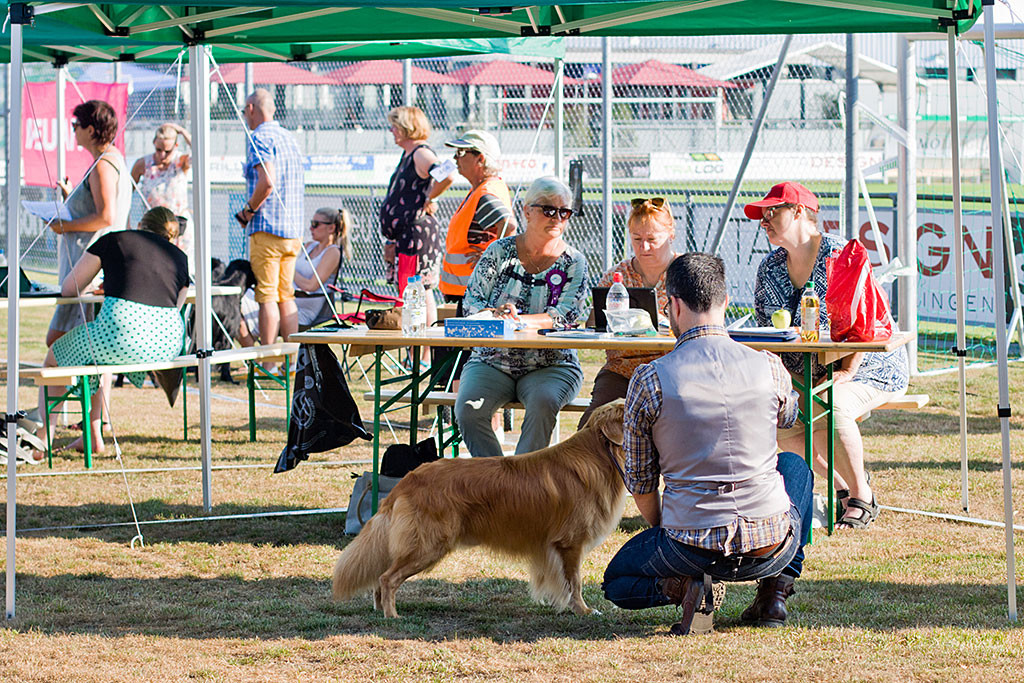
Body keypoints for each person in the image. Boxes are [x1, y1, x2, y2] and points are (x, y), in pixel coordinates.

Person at [602, 252, 813, 635]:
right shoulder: (769, 366)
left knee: (616, 582)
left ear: (673, 306)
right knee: (796, 467)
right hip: (771, 545)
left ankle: (685, 586)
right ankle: (775, 592)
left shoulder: (649, 379)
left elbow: (641, 481)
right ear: (726, 301)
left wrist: (668, 533)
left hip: (689, 545)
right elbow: (787, 418)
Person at [747, 182, 909, 529]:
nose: (764, 221)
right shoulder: (769, 267)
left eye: (772, 212)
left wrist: (846, 372)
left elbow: (865, 322)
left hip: (867, 365)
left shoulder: (841, 254)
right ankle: (841, 487)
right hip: (801, 370)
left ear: (799, 212)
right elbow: (768, 334)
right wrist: (786, 381)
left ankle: (862, 496)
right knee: (773, 413)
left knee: (830, 405)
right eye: (762, 215)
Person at [32, 206, 189, 459]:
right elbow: (174, 306)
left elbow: (70, 288)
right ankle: (93, 433)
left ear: (140, 225)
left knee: (54, 359)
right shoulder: (180, 257)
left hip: (119, 333)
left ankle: (44, 439)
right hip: (167, 344)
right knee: (101, 359)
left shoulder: (114, 239)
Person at [454, 177, 589, 458]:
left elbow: (566, 316)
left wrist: (518, 321)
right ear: (527, 211)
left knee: (543, 403)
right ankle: (497, 478)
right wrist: (494, 314)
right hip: (492, 360)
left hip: (552, 364)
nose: (557, 217)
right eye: (548, 210)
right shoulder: (499, 251)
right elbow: (472, 302)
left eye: (564, 211)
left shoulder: (574, 261)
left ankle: (524, 481)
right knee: (467, 410)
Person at [578, 197, 678, 427]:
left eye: (652, 240)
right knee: (591, 427)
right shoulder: (617, 276)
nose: (644, 247)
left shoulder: (686, 272)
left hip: (671, 369)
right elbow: (593, 325)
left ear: (670, 234)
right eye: (637, 239)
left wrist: (664, 323)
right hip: (621, 370)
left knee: (670, 427)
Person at [50, 99, 132, 349]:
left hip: (89, 265)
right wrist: (72, 197)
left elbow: (106, 216)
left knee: (58, 341)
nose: (74, 129)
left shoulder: (103, 165)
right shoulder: (111, 160)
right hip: (95, 262)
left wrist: (65, 226)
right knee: (81, 342)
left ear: (91, 130)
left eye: (76, 125)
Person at [235, 88, 305, 344]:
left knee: (266, 296)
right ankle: (292, 358)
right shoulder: (289, 138)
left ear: (251, 109)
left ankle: (269, 359)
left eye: (245, 111)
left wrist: (248, 211)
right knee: (286, 295)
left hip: (267, 227)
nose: (245, 117)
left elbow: (267, 181)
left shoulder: (259, 137)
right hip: (293, 229)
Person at [379, 106, 453, 333]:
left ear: (406, 127)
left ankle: (423, 345)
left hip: (416, 234)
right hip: (405, 235)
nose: (391, 131)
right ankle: (416, 342)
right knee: (410, 290)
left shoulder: (421, 153)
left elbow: (447, 174)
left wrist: (430, 197)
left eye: (394, 126)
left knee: (419, 289)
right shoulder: (408, 154)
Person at [240, 207, 353, 342]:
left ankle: (261, 353)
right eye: (311, 223)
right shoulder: (309, 246)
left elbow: (311, 285)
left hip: (302, 309)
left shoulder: (333, 252)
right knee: (236, 303)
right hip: (286, 298)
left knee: (245, 307)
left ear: (331, 228)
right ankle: (253, 352)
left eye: (315, 224)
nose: (311, 228)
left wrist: (285, 269)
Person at [438, 129, 516, 314]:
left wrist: (493, 259)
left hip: (475, 291)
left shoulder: (486, 193)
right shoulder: (483, 189)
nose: (455, 158)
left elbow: (509, 225)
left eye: (461, 152)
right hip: (470, 290)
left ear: (480, 158)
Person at [131, 122, 193, 271]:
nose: (162, 155)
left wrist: (181, 131)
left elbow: (199, 152)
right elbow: (126, 192)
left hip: (178, 226)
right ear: (154, 143)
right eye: (158, 150)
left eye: (167, 151)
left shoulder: (180, 162)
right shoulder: (143, 164)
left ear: (175, 147)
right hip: (153, 226)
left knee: (182, 268)